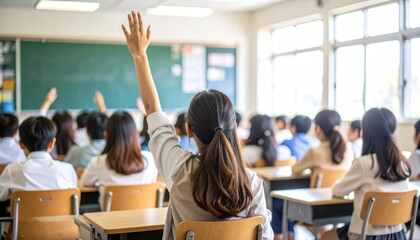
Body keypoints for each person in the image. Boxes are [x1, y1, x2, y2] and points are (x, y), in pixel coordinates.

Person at [121, 11, 273, 240]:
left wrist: (139, 55)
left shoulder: (179, 169)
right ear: (234, 126)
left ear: (188, 129)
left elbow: (152, 109)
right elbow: (265, 236)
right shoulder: (250, 182)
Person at [322, 108, 411, 240]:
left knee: (326, 237)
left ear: (365, 133)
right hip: (398, 234)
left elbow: (338, 190)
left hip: (367, 235)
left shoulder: (364, 164)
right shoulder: (402, 163)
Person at [81, 111, 158, 208]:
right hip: (145, 221)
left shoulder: (99, 162)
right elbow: (152, 181)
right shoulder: (149, 159)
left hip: (109, 222)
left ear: (107, 134)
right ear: (135, 134)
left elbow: (85, 182)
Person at [0, 116, 77, 202]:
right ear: (52, 143)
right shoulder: (68, 169)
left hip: (25, 215)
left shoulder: (12, 170)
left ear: (21, 144)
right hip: (62, 215)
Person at [292, 109, 353, 175]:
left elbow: (295, 170)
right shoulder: (348, 150)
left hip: (319, 185)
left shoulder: (314, 152)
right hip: (342, 185)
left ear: (318, 129)